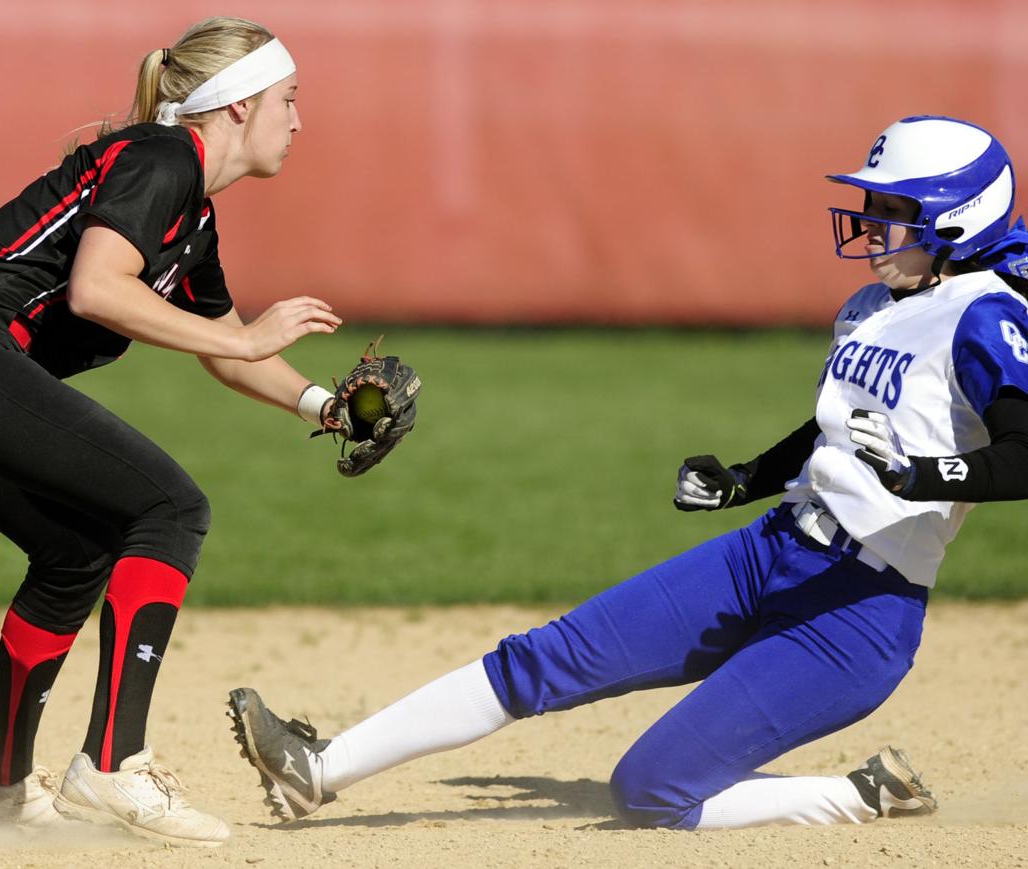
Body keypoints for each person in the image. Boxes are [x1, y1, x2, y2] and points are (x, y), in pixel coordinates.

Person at [228, 115, 1028, 829]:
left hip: (856, 610)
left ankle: (860, 795)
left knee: (650, 789)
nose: (871, 223)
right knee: (542, 656)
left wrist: (921, 475)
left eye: (894, 211)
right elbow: (833, 429)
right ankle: (317, 770)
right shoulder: (872, 304)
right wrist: (747, 477)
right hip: (769, 550)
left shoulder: (988, 315)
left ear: (956, 221)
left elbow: (1020, 453)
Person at [0, 17, 352, 848]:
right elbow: (97, 289)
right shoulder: (162, 159)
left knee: (75, 549)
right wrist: (242, 336)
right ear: (235, 107)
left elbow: (230, 352)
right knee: (169, 506)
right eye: (288, 99)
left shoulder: (191, 216)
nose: (298, 120)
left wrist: (325, 408)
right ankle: (116, 762)